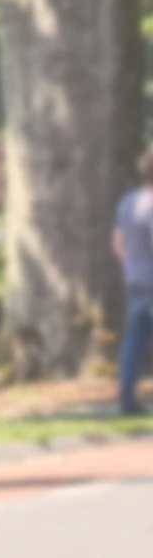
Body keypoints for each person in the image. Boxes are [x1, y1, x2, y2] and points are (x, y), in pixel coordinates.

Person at [114, 151, 153, 414]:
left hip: (134, 280)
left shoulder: (127, 203)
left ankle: (126, 398)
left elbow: (118, 243)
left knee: (133, 341)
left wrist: (131, 264)